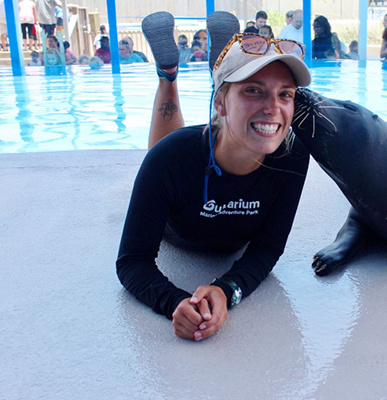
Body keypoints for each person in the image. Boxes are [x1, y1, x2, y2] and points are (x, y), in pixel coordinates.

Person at [117, 11, 311, 342]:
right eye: (254, 90)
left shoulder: (292, 156)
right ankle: (170, 76)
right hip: (178, 229)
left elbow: (266, 249)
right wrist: (175, 302)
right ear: (219, 104)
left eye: (285, 94)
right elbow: (133, 262)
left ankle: (200, 76)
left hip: (219, 118)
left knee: (181, 150)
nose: (273, 108)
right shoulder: (168, 160)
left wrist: (225, 292)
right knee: (166, 151)